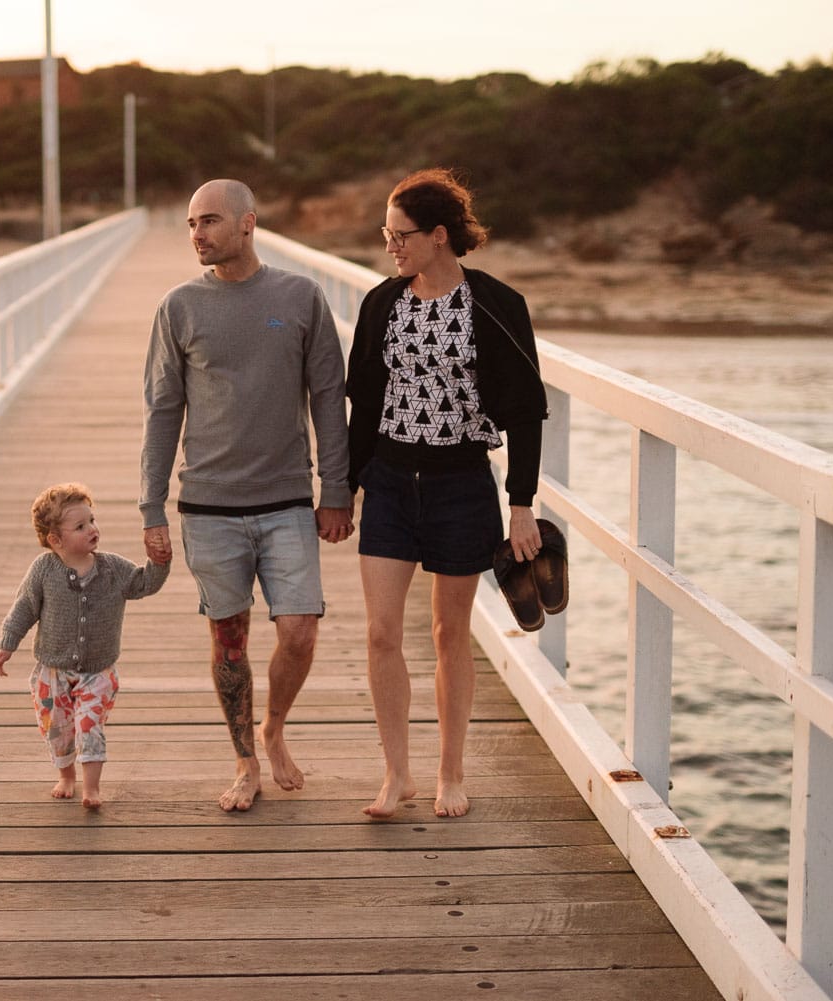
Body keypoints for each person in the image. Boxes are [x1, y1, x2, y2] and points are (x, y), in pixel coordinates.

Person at [141, 178, 353, 813]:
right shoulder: (178, 306)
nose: (197, 234)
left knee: (299, 631)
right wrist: (151, 508)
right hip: (208, 504)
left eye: (208, 221)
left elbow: (327, 397)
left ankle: (275, 727)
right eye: (189, 224)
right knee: (227, 641)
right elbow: (161, 409)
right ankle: (244, 760)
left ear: (247, 224)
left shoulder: (299, 297)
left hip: (287, 497)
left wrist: (336, 488)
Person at [345, 168, 548, 819]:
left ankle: (450, 773)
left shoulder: (494, 303)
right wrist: (341, 488)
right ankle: (396, 773)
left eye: (401, 235)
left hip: (462, 484)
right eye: (386, 234)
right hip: (389, 484)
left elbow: (525, 410)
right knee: (380, 632)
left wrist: (521, 503)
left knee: (447, 631)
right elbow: (364, 404)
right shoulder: (382, 302)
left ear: (439, 235)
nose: (391, 246)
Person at [0, 482, 170, 809]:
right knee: (58, 729)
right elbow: (24, 607)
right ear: (55, 540)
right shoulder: (43, 571)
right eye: (80, 526)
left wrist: (158, 563)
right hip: (52, 671)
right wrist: (8, 642)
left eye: (92, 521)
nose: (92, 529)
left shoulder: (112, 569)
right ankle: (66, 777)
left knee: (90, 725)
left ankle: (92, 788)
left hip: (97, 671)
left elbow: (144, 583)